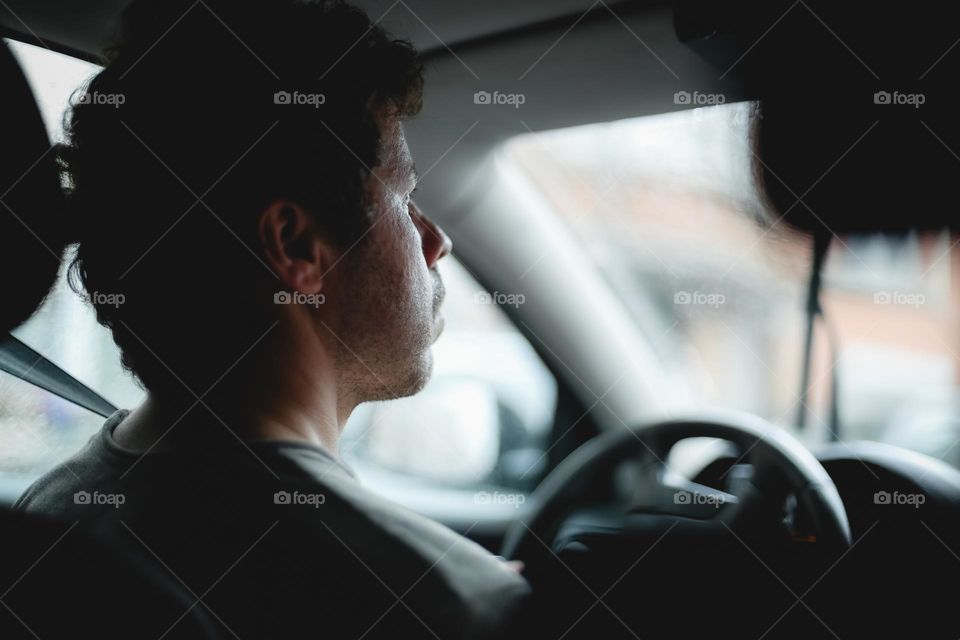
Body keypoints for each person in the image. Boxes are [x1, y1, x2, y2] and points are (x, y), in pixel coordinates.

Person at [16, 1, 531, 637]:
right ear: (296, 247)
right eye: (405, 196)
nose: (437, 240)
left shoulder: (51, 515)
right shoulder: (432, 602)